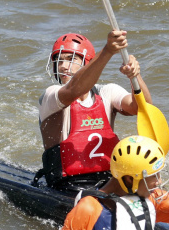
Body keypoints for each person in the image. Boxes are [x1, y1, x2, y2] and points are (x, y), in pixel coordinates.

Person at [35, 30, 152, 191]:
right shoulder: (51, 95)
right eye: (59, 60)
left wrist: (135, 76)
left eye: (71, 59)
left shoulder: (107, 92)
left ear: (87, 62)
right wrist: (108, 51)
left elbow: (142, 108)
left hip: (110, 182)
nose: (63, 66)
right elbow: (74, 90)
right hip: (67, 185)